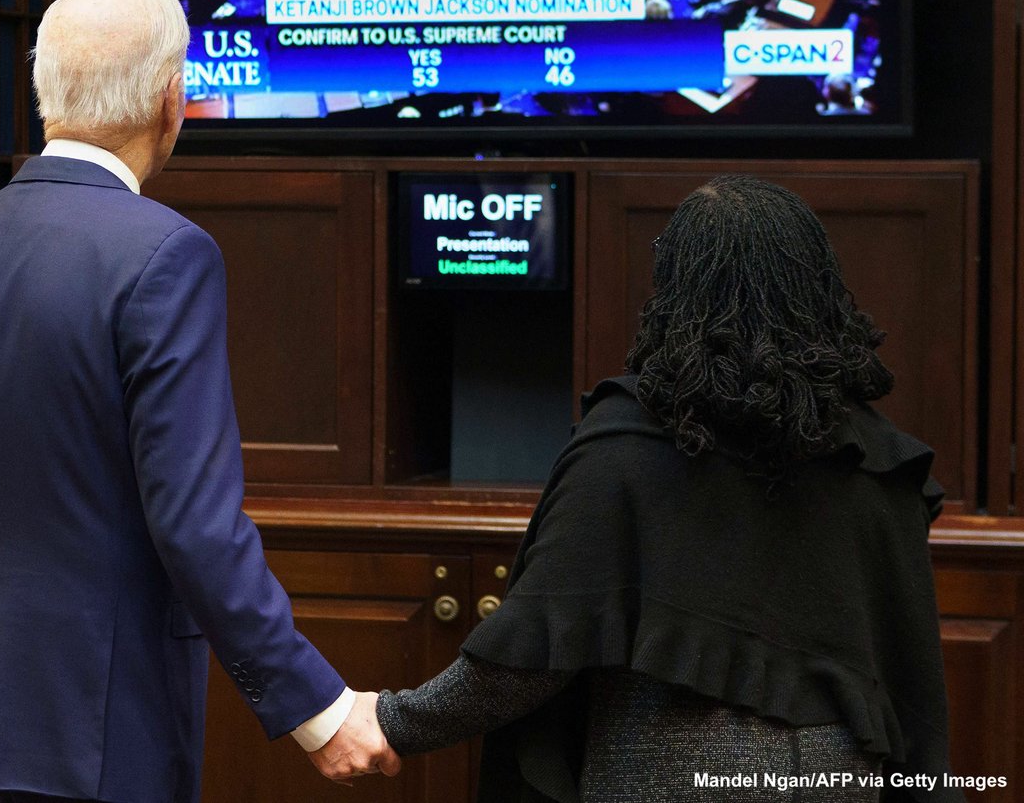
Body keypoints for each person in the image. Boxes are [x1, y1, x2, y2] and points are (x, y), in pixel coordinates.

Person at [0, 0, 402, 802]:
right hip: (102, 736)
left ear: (45, 93)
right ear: (172, 101)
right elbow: (195, 526)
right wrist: (320, 709)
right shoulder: (166, 254)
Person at [374, 176, 960, 803]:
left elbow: (527, 659)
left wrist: (389, 722)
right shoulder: (879, 461)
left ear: (675, 291)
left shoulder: (623, 450)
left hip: (666, 778)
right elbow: (909, 682)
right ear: (816, 285)